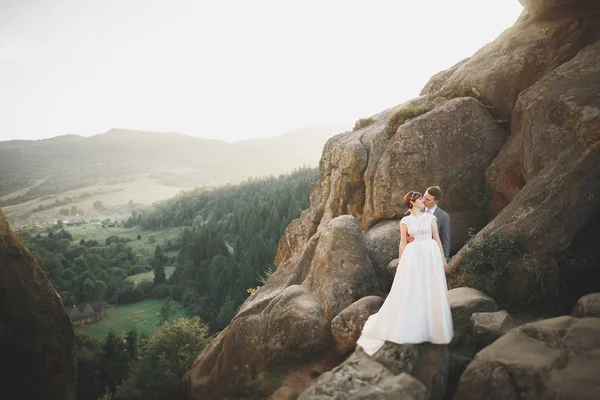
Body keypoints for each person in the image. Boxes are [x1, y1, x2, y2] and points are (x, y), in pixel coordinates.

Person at [356, 191, 454, 356]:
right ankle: (416, 324)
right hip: (413, 256)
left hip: (430, 254)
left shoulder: (431, 218)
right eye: (419, 199)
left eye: (423, 198)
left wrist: (443, 259)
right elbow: (403, 241)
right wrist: (401, 262)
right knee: (414, 288)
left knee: (431, 288)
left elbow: (437, 238)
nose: (423, 200)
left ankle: (433, 327)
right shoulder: (405, 221)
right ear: (412, 203)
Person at [406, 186, 451, 261]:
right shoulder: (416, 210)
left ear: (435, 201)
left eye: (427, 199)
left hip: (434, 255)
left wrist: (444, 259)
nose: (423, 200)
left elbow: (446, 240)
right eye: (424, 197)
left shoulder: (444, 217)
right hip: (417, 254)